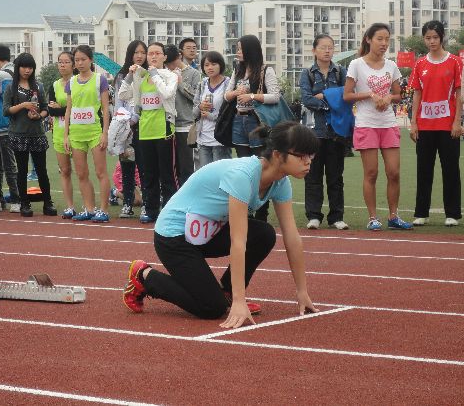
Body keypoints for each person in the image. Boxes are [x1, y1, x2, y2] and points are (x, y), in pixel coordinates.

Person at [123, 121, 320, 327]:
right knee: (212, 308)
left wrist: (302, 292)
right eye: (301, 156)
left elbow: (292, 236)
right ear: (278, 155)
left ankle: (227, 292)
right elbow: (238, 240)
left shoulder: (280, 182)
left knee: (264, 235)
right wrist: (240, 301)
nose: (308, 162)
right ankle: (144, 276)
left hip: (206, 233)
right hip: (173, 237)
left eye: (311, 155)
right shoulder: (243, 176)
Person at [343, 23, 412, 231]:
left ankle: (393, 216)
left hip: (388, 124)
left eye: (387, 40)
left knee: (394, 172)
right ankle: (373, 218)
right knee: (371, 173)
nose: (384, 43)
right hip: (366, 124)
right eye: (379, 39)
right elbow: (347, 95)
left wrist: (389, 97)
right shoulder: (356, 64)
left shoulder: (391, 66)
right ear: (368, 39)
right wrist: (370, 94)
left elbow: (399, 95)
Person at [118, 42, 179, 223]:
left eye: (157, 53)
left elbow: (167, 93)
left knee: (167, 174)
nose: (153, 56)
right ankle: (151, 210)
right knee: (149, 174)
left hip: (164, 130)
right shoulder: (141, 77)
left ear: (164, 57)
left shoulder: (170, 75)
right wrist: (130, 75)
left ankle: (169, 210)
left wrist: (155, 74)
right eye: (150, 53)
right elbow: (122, 95)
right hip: (145, 131)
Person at [409, 20, 462, 227]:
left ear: (442, 38)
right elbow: (417, 93)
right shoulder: (420, 63)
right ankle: (421, 213)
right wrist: (413, 122)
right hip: (425, 126)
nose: (431, 41)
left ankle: (452, 213)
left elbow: (459, 94)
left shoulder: (455, 62)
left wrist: (457, 122)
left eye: (435, 37)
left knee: (450, 170)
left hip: (448, 126)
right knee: (424, 170)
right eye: (428, 38)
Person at [224, 35, 281, 222]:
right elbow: (226, 96)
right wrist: (235, 93)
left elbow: (275, 96)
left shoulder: (265, 70)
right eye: (237, 48)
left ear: (250, 50)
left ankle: (261, 212)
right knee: (244, 168)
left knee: (260, 167)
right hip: (238, 121)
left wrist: (252, 96)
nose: (238, 52)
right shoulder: (237, 70)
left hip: (257, 122)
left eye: (240, 48)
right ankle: (247, 210)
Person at [299, 34, 349, 230]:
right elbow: (306, 99)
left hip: (336, 132)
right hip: (313, 133)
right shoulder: (307, 73)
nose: (327, 51)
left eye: (330, 47)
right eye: (323, 47)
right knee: (313, 176)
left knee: (336, 177)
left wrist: (324, 95)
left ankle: (336, 216)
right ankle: (314, 216)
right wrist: (330, 102)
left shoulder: (341, 72)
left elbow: (347, 94)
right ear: (314, 50)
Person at [3, 53, 56, 218]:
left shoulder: (38, 86)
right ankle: (24, 204)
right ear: (18, 67)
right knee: (22, 170)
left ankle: (48, 202)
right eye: (24, 67)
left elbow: (46, 108)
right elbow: (6, 110)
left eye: (30, 67)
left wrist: (39, 115)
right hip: (18, 134)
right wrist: (23, 105)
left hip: (37, 134)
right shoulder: (11, 87)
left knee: (42, 170)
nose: (27, 70)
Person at [62, 45, 111, 222]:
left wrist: (105, 133)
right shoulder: (71, 82)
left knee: (100, 172)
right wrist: (66, 135)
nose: (80, 63)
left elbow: (105, 109)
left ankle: (103, 210)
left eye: (83, 59)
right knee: (81, 174)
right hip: (76, 134)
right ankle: (89, 209)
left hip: (95, 133)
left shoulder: (100, 80)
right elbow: (68, 110)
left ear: (91, 60)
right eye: (77, 60)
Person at [112, 40, 148, 219]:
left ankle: (147, 203)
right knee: (126, 165)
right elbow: (119, 102)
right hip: (125, 128)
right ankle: (127, 203)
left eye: (142, 52)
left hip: (145, 126)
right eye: (136, 52)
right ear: (130, 54)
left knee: (144, 167)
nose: (140, 56)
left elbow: (145, 102)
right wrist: (122, 122)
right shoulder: (121, 75)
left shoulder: (149, 74)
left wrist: (135, 119)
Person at [165, 44, 201, 186]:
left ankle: (188, 193)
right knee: (173, 168)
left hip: (186, 126)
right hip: (168, 126)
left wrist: (180, 83)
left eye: (172, 62)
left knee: (187, 167)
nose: (170, 66)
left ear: (180, 56)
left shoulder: (194, 74)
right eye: (167, 64)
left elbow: (196, 98)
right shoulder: (165, 73)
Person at [0, 44, 20, 213]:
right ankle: (0, 199)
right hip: (15, 123)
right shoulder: (16, 72)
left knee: (3, 165)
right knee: (4, 164)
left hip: (3, 124)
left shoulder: (0, 75)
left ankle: (12, 199)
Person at [48, 51, 77, 219]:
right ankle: (70, 206)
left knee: (82, 171)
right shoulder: (54, 85)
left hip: (78, 130)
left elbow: (77, 108)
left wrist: (62, 108)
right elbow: (51, 110)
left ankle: (89, 206)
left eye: (66, 61)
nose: (62, 65)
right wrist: (64, 110)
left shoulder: (78, 82)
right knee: (65, 170)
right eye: (60, 62)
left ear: (73, 64)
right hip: (59, 133)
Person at [192, 51, 232, 169]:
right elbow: (194, 113)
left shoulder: (228, 83)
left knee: (220, 173)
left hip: (220, 138)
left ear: (220, 65)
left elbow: (229, 114)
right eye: (206, 65)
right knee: (205, 174)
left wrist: (210, 116)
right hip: (203, 138)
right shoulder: (202, 84)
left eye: (214, 64)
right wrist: (200, 107)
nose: (210, 67)